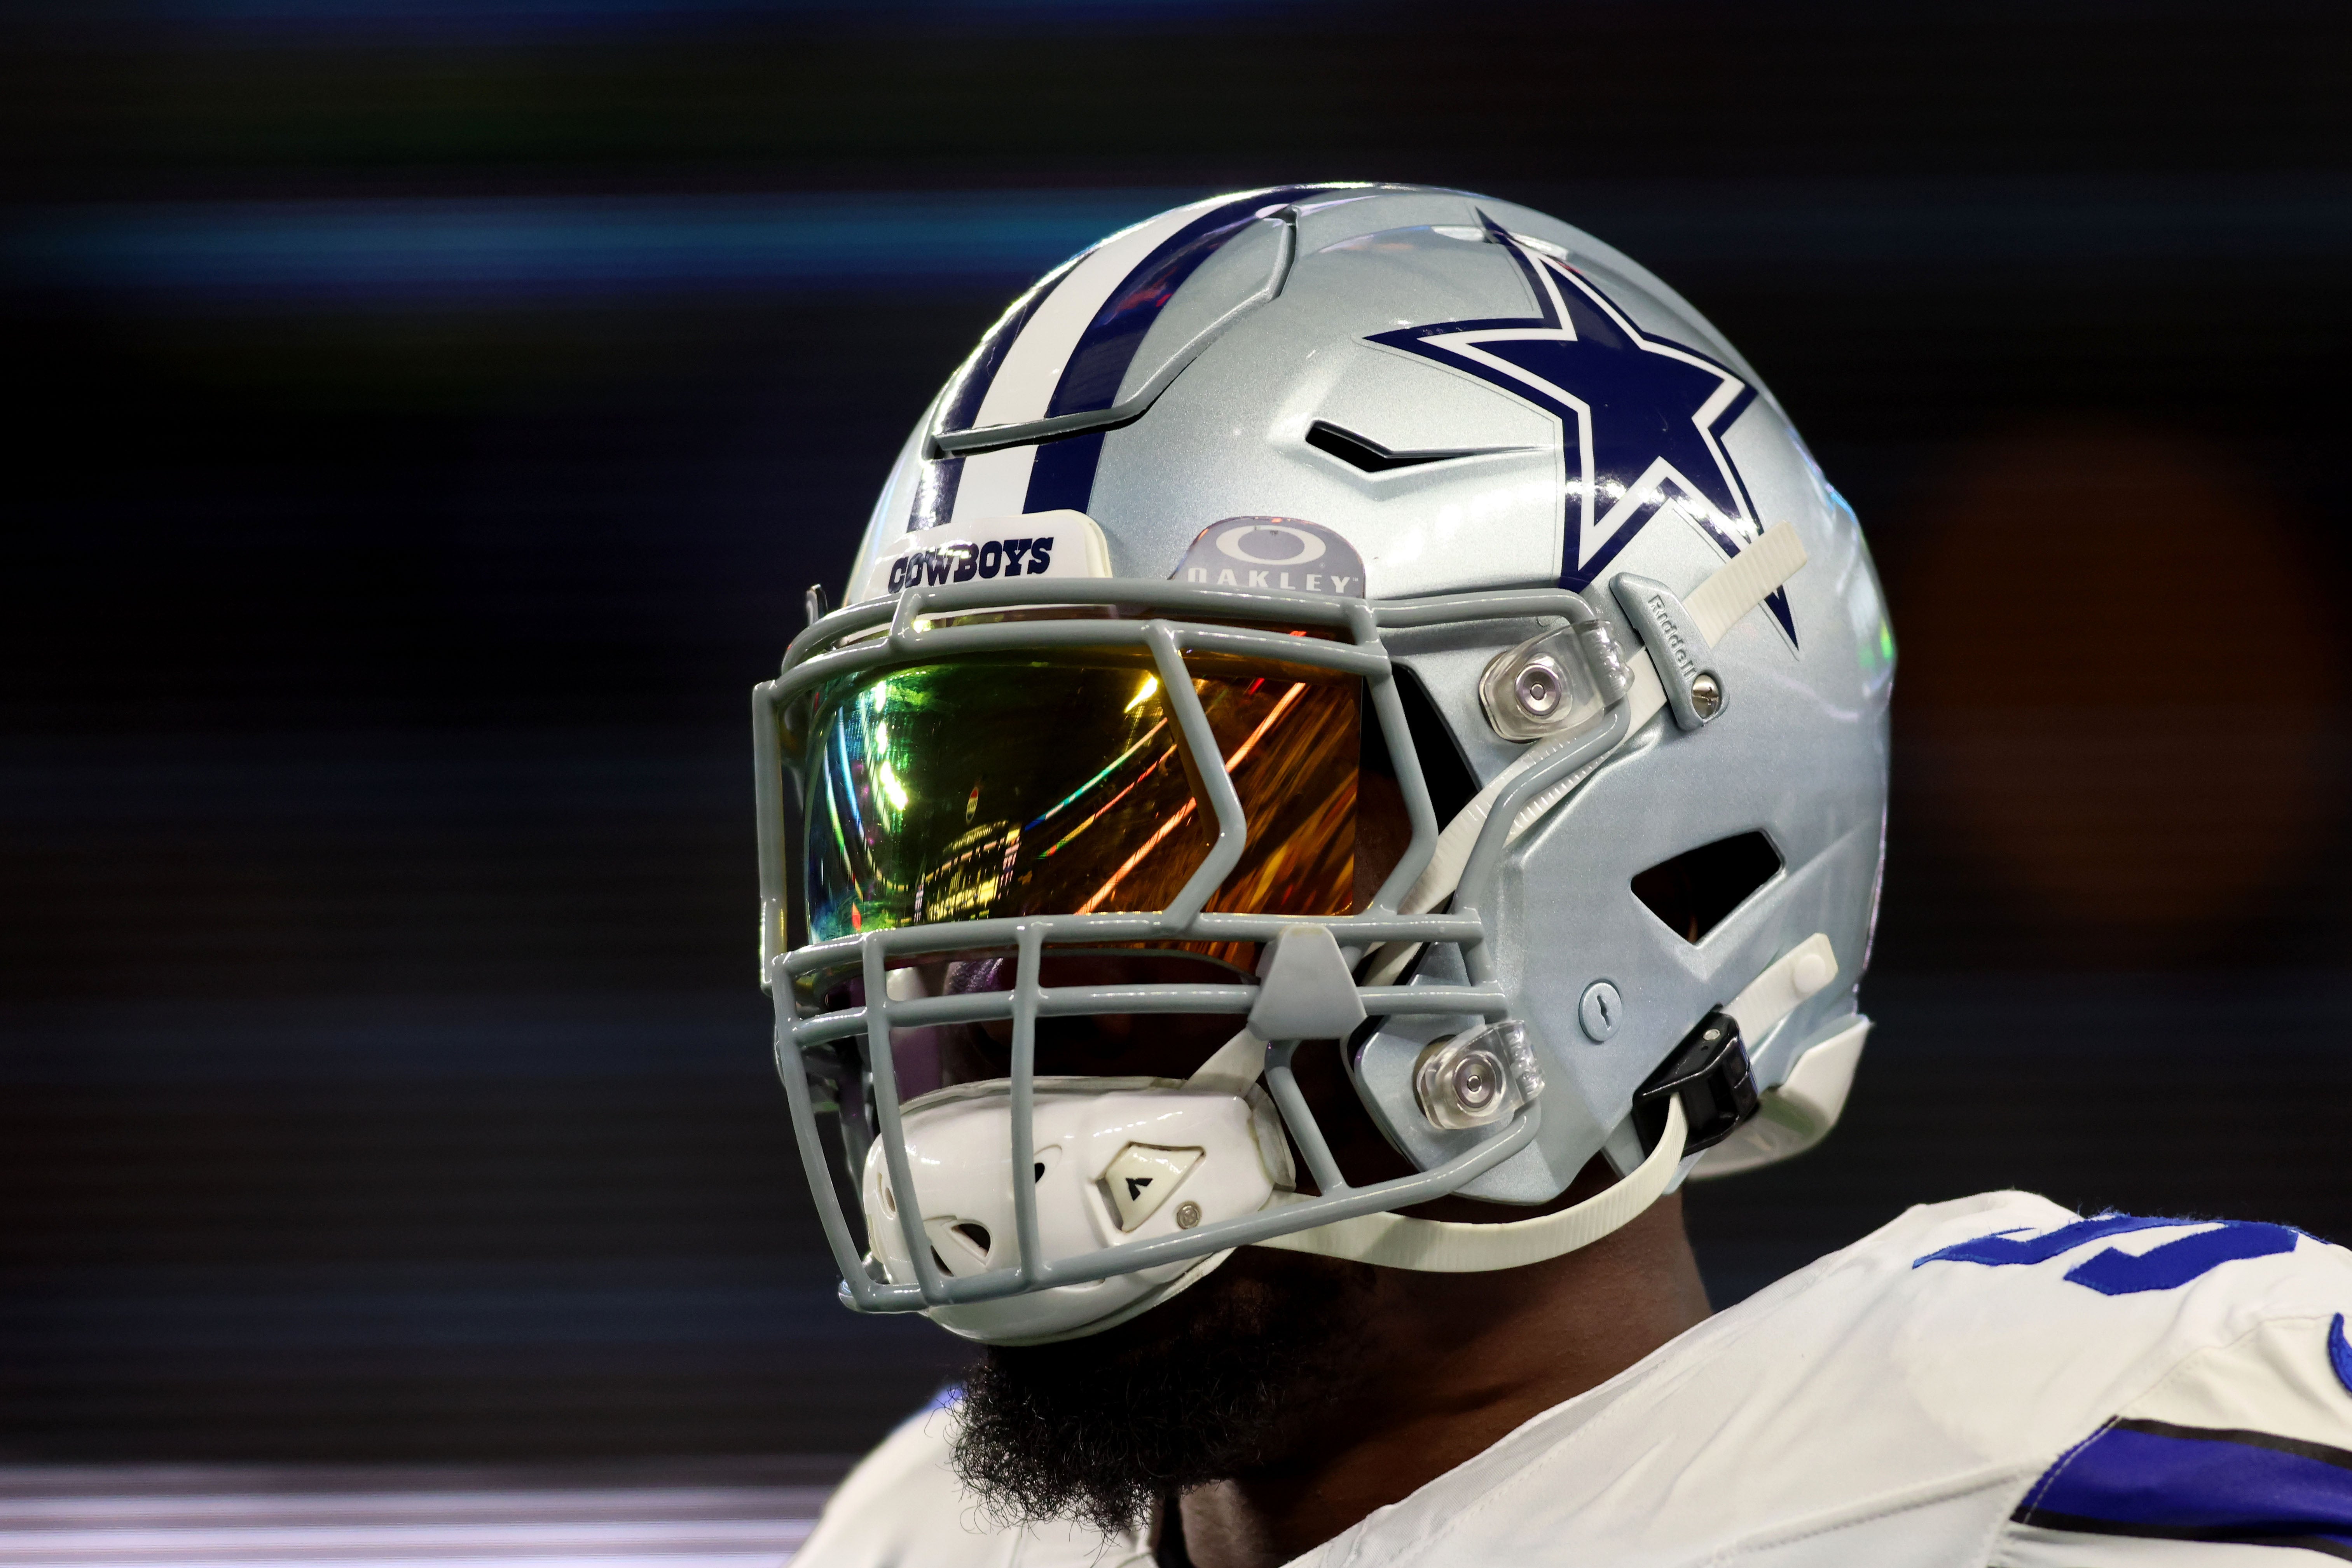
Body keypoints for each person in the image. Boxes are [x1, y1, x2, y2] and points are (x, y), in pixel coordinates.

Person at [754, 185, 2352, 1566]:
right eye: (943, 836)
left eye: (1174, 816)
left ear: (1642, 826)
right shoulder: (924, 1531)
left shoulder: (2084, 1471)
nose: (986, 962)